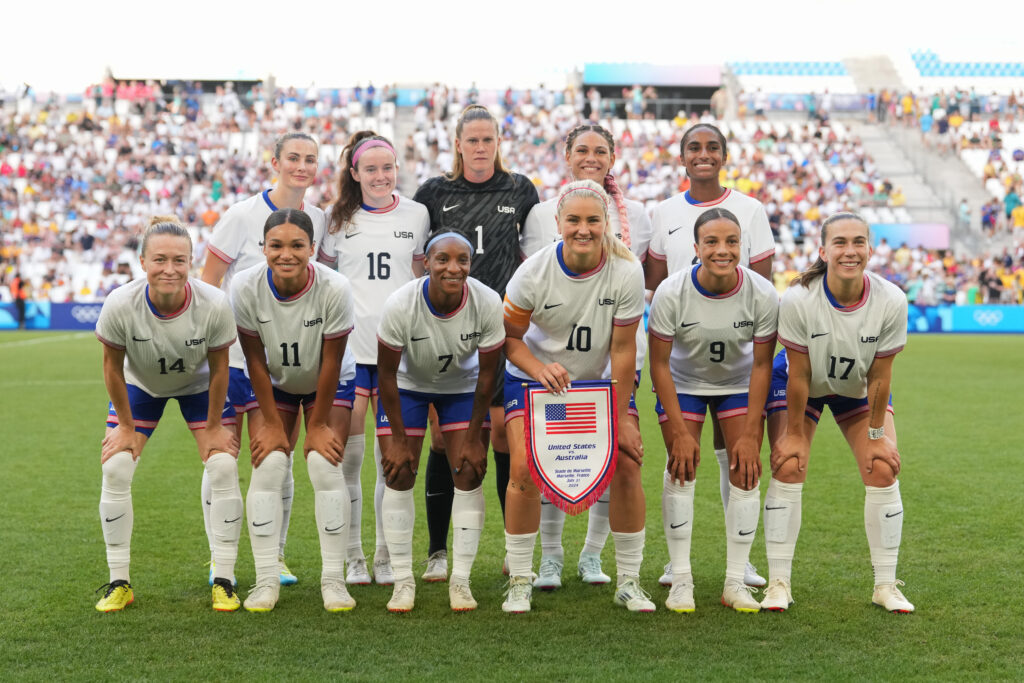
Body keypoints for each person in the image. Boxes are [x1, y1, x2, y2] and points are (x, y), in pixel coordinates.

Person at [502, 180, 651, 613]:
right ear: (558, 223)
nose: (583, 229)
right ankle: (520, 580)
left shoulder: (626, 270)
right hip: (534, 380)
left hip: (599, 385)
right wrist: (539, 368)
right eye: (574, 220)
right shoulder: (533, 272)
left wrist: (621, 416)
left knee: (627, 464)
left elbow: (623, 350)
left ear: (606, 223)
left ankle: (629, 579)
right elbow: (509, 340)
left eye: (592, 220)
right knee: (524, 468)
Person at [645, 123, 776, 588]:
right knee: (681, 460)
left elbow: (759, 284)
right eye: (694, 148)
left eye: (713, 147)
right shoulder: (663, 212)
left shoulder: (751, 209)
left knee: (739, 457)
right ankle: (675, 566)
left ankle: (741, 564)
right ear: (681, 157)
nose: (704, 155)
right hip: (682, 357)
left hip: (737, 362)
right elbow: (655, 281)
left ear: (725, 154)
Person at [413, 105, 539, 580]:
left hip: (501, 328)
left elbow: (535, 253)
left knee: (508, 437)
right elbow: (417, 258)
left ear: (498, 142)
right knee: (445, 441)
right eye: (473, 140)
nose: (481, 148)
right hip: (446, 325)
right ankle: (437, 551)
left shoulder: (520, 189)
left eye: (488, 140)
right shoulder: (435, 192)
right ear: (459, 143)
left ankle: (513, 548)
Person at [766, 211, 913, 614]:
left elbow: (881, 374)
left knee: (882, 467)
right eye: (841, 243)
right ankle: (778, 582)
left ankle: (885, 585)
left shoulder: (892, 299)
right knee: (790, 463)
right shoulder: (798, 298)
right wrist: (793, 432)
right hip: (803, 383)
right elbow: (798, 374)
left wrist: (877, 433)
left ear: (869, 248)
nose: (850, 251)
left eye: (858, 242)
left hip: (859, 388)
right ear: (823, 250)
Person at [201, 132, 331, 586]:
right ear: (274, 161)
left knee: (277, 456)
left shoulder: (317, 217)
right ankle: (220, 559)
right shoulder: (241, 215)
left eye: (310, 159)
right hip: (235, 358)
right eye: (293, 157)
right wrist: (212, 346)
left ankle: (273, 555)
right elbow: (210, 281)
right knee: (223, 457)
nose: (301, 166)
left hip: (283, 362)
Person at [93, 217, 241, 613]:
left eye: (180, 260)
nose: (170, 269)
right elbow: (111, 367)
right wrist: (125, 426)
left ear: (191, 262)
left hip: (199, 388)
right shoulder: (120, 303)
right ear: (143, 261)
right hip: (140, 388)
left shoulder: (213, 303)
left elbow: (222, 368)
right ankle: (118, 581)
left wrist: (212, 428)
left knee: (224, 466)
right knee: (116, 468)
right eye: (160, 259)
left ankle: (224, 578)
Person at [229, 208, 357, 613]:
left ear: (312, 249)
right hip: (276, 381)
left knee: (323, 464)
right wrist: (268, 421)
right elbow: (254, 359)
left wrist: (316, 423)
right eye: (276, 245)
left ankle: (334, 580)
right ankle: (266, 578)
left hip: (327, 380)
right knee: (268, 465)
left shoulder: (335, 287)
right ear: (262, 247)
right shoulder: (245, 287)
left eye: (297, 245)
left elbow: (333, 362)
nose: (287, 254)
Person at [318, 131, 430, 588]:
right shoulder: (335, 219)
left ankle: (385, 554)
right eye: (371, 169)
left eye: (387, 168)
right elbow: (324, 281)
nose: (380, 176)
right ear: (355, 174)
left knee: (392, 460)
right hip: (349, 351)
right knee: (347, 460)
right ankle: (353, 557)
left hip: (398, 354)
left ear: (396, 170)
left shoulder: (417, 213)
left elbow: (421, 275)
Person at [375, 233, 504, 612]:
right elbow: (385, 376)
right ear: (426, 263)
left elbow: (486, 377)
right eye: (443, 259)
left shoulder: (486, 301)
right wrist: (398, 439)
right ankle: (402, 581)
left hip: (462, 389)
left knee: (468, 472)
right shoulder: (401, 304)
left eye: (462, 260)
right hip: (408, 386)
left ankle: (461, 582)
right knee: (398, 472)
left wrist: (476, 438)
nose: (453, 267)